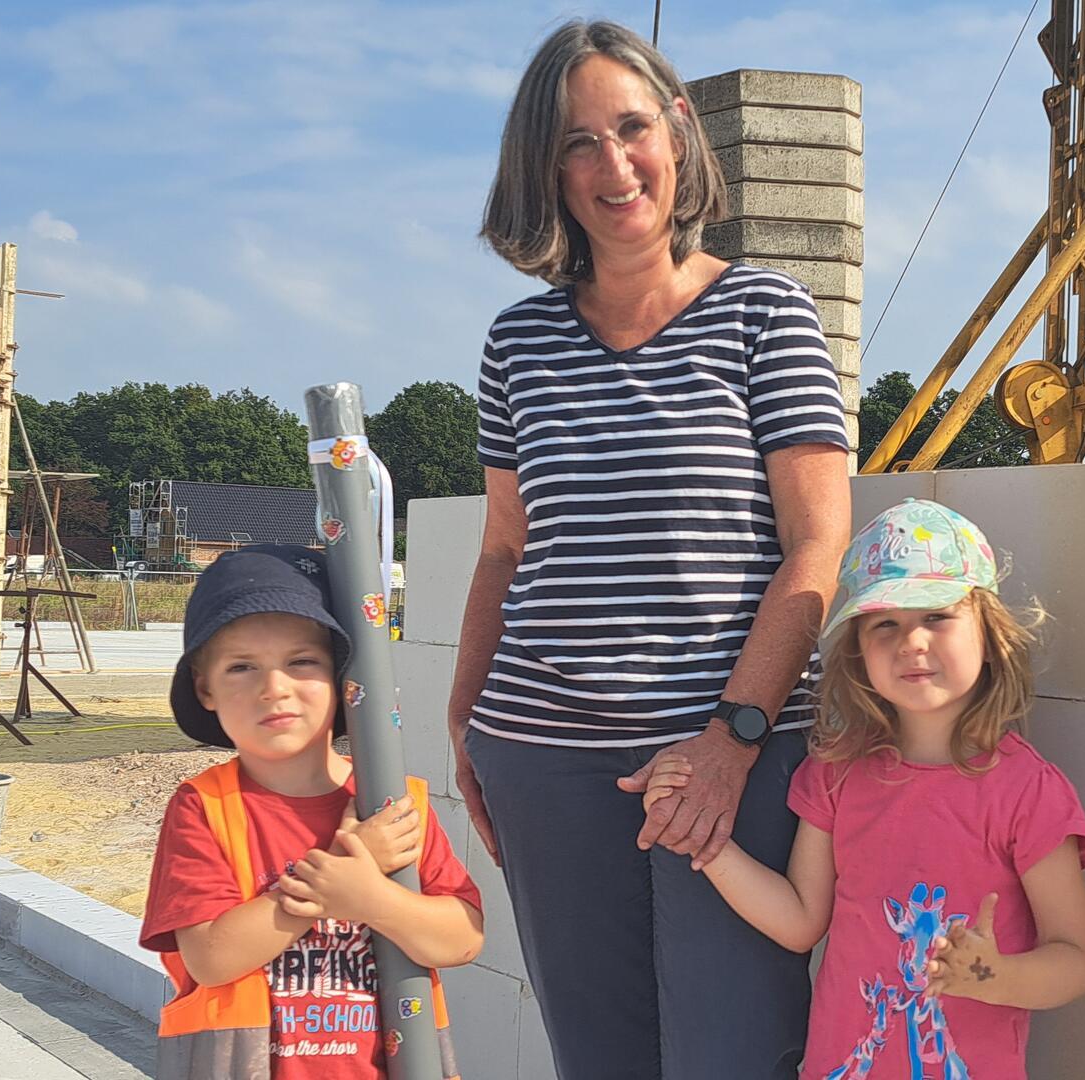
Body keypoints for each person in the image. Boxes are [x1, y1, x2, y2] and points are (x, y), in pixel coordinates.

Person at [452, 18, 852, 1077]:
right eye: (577, 142)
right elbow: (502, 551)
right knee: (599, 1059)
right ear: (544, 170)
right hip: (543, 757)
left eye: (632, 127)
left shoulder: (768, 313)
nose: (613, 165)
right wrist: (463, 717)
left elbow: (816, 549)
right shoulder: (516, 342)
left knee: (737, 1054)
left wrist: (734, 737)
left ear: (680, 132)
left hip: (732, 751)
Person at [643, 499, 1085, 1078]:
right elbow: (801, 919)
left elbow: (1077, 957)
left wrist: (998, 977)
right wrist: (700, 838)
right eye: (886, 624)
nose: (911, 642)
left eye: (936, 616)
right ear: (860, 653)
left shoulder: (1028, 791)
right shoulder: (836, 773)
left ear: (989, 633)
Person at [141, 545, 484, 1079]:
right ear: (204, 689)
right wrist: (336, 876)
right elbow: (210, 957)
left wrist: (370, 897)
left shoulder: (394, 804)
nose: (274, 688)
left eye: (302, 662)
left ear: (342, 677)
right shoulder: (205, 808)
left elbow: (462, 938)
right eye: (241, 667)